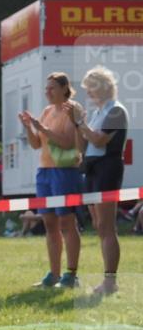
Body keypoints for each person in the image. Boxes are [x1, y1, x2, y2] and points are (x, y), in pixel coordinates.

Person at [65, 65, 129, 296]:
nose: (88, 93)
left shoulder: (116, 111)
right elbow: (84, 145)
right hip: (92, 169)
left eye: (91, 88)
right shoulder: (97, 112)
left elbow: (99, 140)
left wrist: (81, 123)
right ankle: (108, 280)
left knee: (107, 226)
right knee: (99, 226)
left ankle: (110, 281)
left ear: (103, 87)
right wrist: (76, 124)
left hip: (107, 169)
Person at [19, 72, 82, 289]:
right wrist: (29, 127)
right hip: (44, 171)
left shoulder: (73, 109)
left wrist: (42, 127)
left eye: (52, 88)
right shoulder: (47, 111)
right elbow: (37, 144)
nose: (47, 92)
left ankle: (71, 274)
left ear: (65, 88)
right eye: (46, 88)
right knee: (49, 223)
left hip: (65, 171)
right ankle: (54, 274)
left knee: (67, 222)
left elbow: (67, 143)